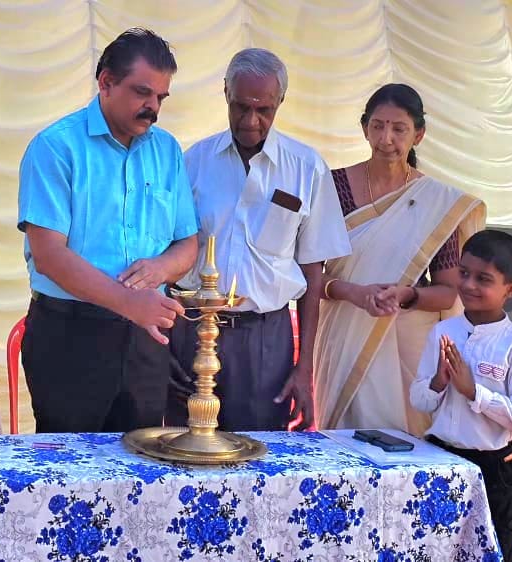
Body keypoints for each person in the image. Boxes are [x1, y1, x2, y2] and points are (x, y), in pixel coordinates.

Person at [17, 28, 198, 433]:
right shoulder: (56, 147)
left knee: (142, 458)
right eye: (142, 93)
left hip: (147, 338)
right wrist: (128, 302)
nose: (153, 108)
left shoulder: (166, 149)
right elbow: (48, 256)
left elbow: (187, 241)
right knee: (70, 464)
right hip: (70, 336)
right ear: (106, 82)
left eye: (161, 97)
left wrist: (161, 267)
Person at [167, 48, 349, 431]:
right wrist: (166, 344)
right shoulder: (193, 162)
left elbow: (313, 274)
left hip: (264, 340)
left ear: (281, 101)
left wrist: (305, 368)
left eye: (263, 109)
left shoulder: (307, 168)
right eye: (241, 107)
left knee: (256, 453)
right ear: (225, 93)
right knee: (184, 448)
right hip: (192, 330)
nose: (251, 120)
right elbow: (167, 254)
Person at [314, 83, 486, 436]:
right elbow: (310, 273)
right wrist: (355, 293)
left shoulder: (436, 203)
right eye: (378, 126)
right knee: (343, 443)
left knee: (402, 445)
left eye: (399, 129)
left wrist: (407, 295)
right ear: (365, 128)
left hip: (407, 341)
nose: (386, 138)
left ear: (418, 135)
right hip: (344, 332)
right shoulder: (332, 186)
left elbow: (448, 291)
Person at [409, 230, 512, 562]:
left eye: (483, 279)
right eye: (463, 273)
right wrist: (439, 382)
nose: (468, 285)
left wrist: (474, 392)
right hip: (440, 456)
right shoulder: (443, 332)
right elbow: (419, 400)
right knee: (435, 547)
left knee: (492, 549)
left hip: (494, 468)